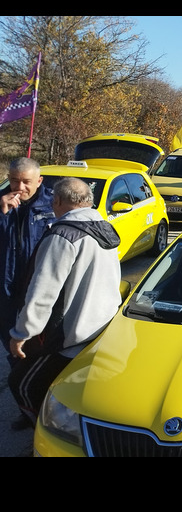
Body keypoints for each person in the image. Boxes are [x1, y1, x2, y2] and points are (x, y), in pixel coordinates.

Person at [7, 177, 121, 426]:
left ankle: (45, 433)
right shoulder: (105, 228)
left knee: (21, 383)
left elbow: (43, 292)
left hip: (69, 335)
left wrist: (22, 333)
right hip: (100, 327)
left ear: (57, 201)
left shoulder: (62, 236)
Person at [0, 157, 56, 368]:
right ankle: (18, 371)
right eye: (15, 181)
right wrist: (2, 214)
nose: (20, 187)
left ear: (39, 181)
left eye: (26, 182)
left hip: (36, 285)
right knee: (9, 338)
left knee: (37, 339)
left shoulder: (53, 205)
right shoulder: (1, 202)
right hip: (5, 286)